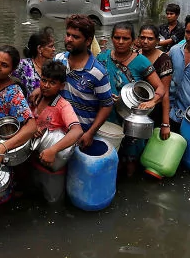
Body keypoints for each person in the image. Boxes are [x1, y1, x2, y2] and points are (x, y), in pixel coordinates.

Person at [97, 23, 167, 175]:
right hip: (107, 117)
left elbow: (160, 87)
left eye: (125, 38)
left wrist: (152, 102)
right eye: (117, 37)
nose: (120, 42)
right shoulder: (102, 58)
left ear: (133, 40)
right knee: (107, 155)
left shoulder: (141, 61)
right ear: (111, 38)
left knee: (130, 159)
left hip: (131, 117)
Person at [55, 15, 114, 148]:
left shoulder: (98, 72)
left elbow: (107, 105)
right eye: (68, 34)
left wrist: (91, 133)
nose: (69, 39)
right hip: (58, 131)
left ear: (88, 41)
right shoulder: (59, 60)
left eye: (75, 37)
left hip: (82, 134)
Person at [30, 61, 83, 203]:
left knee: (53, 200)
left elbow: (77, 131)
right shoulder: (36, 97)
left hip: (53, 166)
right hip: (33, 160)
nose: (46, 85)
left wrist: (53, 150)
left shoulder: (62, 106)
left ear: (61, 86)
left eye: (52, 83)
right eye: (44, 80)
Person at [138, 25, 174, 140]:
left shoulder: (164, 60)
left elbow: (165, 92)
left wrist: (165, 124)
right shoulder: (135, 55)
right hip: (135, 105)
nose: (145, 41)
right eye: (142, 38)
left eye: (150, 39)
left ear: (158, 41)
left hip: (154, 108)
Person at [12, 27, 57, 96]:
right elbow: (4, 74)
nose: (54, 49)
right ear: (39, 49)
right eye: (50, 46)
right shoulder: (24, 65)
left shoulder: (53, 67)